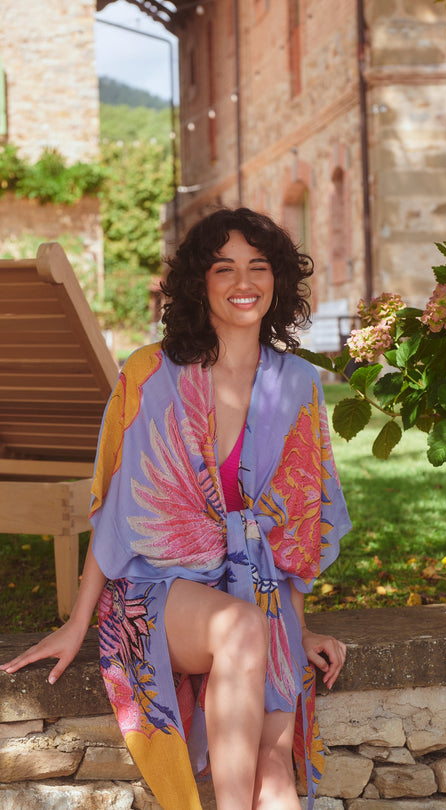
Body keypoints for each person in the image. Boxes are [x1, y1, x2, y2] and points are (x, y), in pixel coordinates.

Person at [1, 207, 351, 810]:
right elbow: (117, 509)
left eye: (259, 266)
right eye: (224, 268)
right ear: (199, 283)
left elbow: (293, 527)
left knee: (274, 761)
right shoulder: (151, 375)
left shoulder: (297, 384)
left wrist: (297, 626)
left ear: (279, 281)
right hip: (157, 590)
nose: (244, 282)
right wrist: (78, 621)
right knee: (241, 630)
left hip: (256, 593)